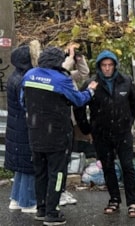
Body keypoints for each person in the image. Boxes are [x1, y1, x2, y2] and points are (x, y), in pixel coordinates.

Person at [21, 46, 97, 226]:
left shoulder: (29, 75)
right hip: (57, 135)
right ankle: (52, 213)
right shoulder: (61, 79)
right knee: (58, 174)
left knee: (40, 173)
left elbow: (23, 102)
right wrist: (91, 90)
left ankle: (41, 209)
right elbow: (79, 100)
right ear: (58, 62)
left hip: (35, 133)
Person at [74, 50, 135, 218]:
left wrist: (129, 121)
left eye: (110, 65)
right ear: (99, 66)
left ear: (115, 66)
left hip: (122, 132)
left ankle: (132, 203)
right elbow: (79, 105)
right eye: (104, 65)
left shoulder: (126, 81)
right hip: (101, 132)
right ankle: (114, 199)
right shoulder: (91, 83)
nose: (107, 68)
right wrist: (87, 128)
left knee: (127, 166)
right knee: (108, 166)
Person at [5, 44, 37, 214]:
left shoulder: (14, 76)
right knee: (29, 164)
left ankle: (16, 198)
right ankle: (28, 202)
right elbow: (27, 105)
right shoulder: (25, 80)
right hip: (24, 128)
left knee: (21, 166)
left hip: (16, 127)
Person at [59, 42, 90, 207]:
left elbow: (84, 73)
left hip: (70, 121)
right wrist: (69, 58)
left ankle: (61, 190)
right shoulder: (58, 77)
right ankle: (58, 192)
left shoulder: (68, 76)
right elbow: (79, 98)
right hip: (60, 123)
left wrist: (78, 58)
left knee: (66, 157)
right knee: (59, 160)